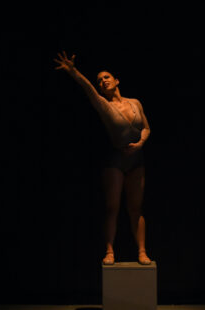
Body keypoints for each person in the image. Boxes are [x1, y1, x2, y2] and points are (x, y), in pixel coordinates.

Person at [54, 52, 152, 265]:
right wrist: (74, 72)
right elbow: (87, 88)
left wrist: (140, 144)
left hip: (137, 158)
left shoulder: (135, 102)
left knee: (136, 208)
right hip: (115, 159)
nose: (102, 81)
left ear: (116, 80)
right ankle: (109, 250)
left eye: (106, 77)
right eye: (99, 80)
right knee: (112, 206)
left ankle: (142, 251)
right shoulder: (103, 105)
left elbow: (146, 127)